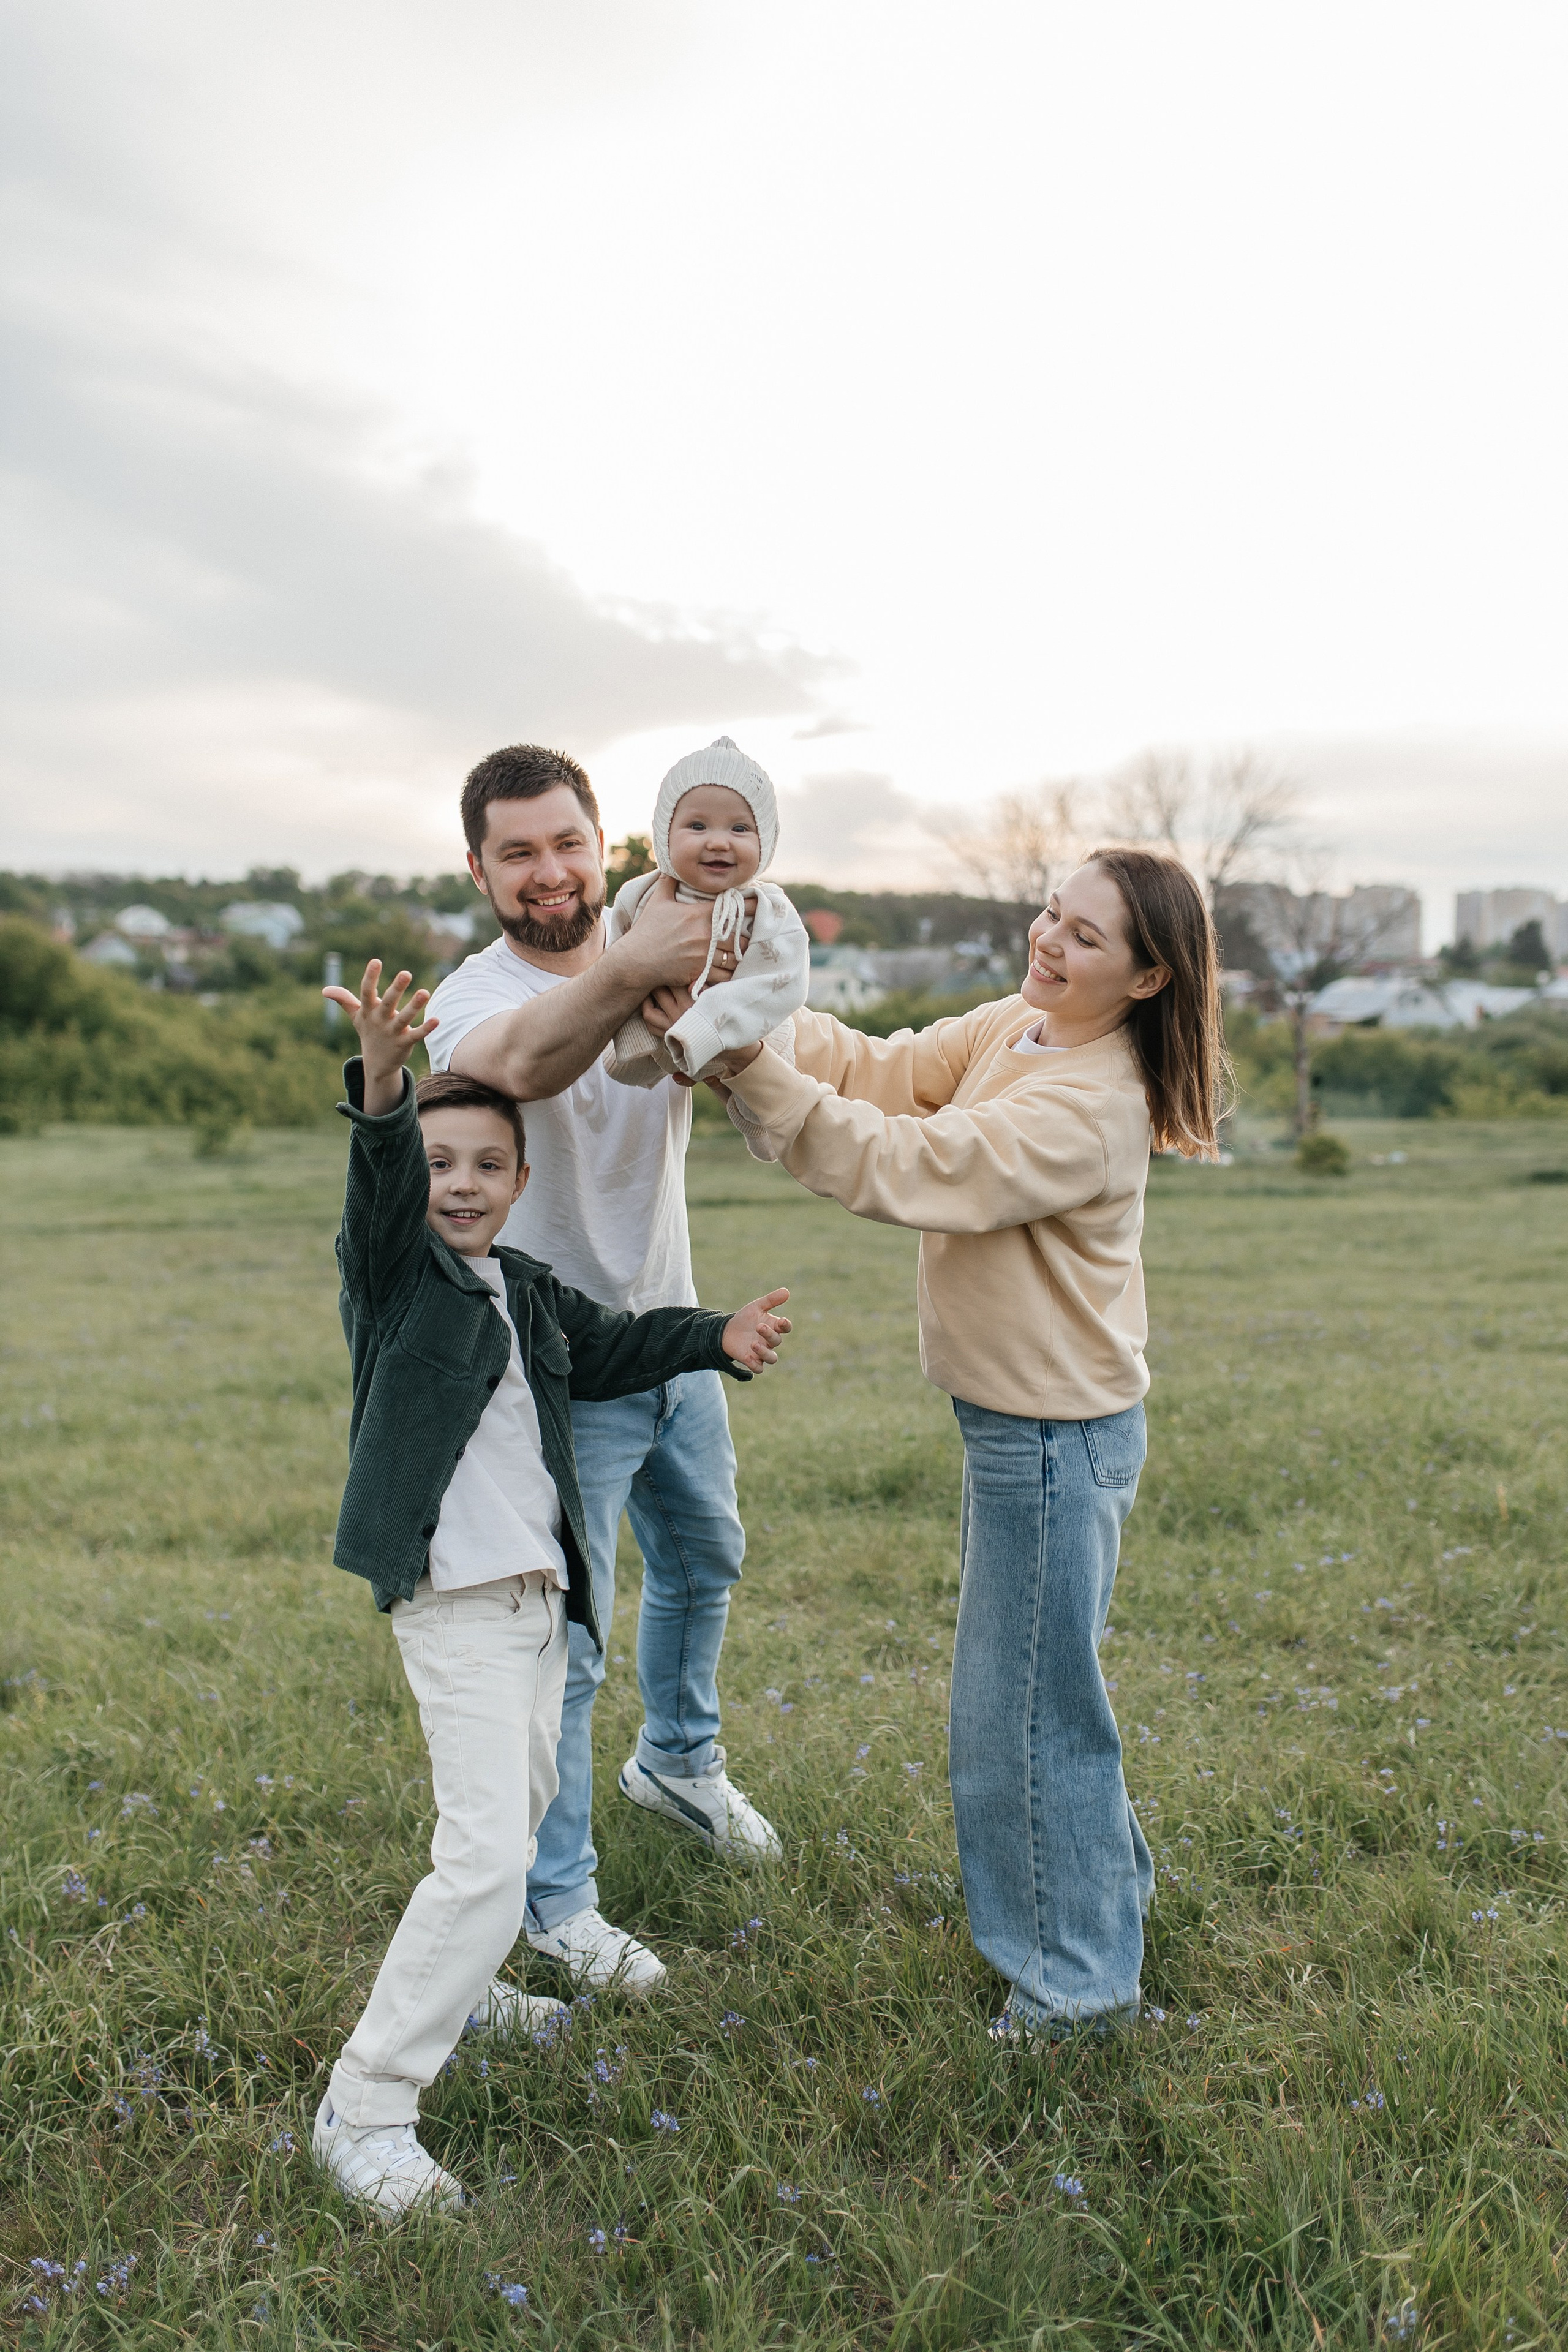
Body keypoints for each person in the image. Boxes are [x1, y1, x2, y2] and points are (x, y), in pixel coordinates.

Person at [668, 849, 1225, 2037]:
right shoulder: (1020, 1028)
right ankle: (1099, 1916)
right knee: (1042, 1699)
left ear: (1146, 978)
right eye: (1051, 914)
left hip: (1053, 1441)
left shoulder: (1091, 1105)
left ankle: (1078, 1992)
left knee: (1021, 1718)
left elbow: (907, 1165)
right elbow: (879, 1068)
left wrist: (743, 1069)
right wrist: (751, 1008)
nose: (1048, 940)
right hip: (1020, 1430)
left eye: (1084, 936)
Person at [311, 959, 791, 2216]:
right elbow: (380, 1184)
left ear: (521, 1184)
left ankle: (471, 1991)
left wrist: (715, 1337)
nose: (462, 1183)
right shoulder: (397, 1279)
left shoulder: (523, 1289)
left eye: (488, 1164)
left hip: (537, 1605)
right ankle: (366, 2104)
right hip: (458, 1604)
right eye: (441, 1164)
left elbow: (619, 1344)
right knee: (482, 1861)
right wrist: (384, 1087)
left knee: (513, 1829)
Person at [423, 744, 783, 2001]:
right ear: (479, 870)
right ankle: (557, 1903)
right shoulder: (469, 1001)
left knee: (707, 1559)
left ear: (601, 845)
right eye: (516, 852)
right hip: (559, 1375)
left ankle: (679, 1764)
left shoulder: (671, 955)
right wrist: (639, 962)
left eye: (567, 843)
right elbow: (520, 1067)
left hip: (676, 1335)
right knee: (568, 1648)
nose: (548, 872)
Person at [605, 737, 810, 1161]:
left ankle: (762, 1135)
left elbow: (786, 981)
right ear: (665, 836)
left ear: (765, 842)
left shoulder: (769, 909)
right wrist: (632, 1027)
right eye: (697, 827)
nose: (718, 842)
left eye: (739, 829)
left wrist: (708, 1026)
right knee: (621, 1064)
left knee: (768, 1100)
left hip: (749, 1026)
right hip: (662, 1031)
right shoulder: (641, 895)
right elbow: (617, 955)